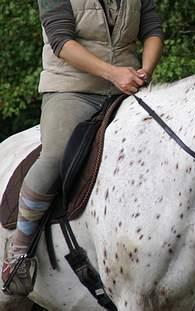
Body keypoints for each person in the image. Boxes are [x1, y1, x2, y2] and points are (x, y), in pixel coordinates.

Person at [2, 0, 163, 296]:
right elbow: (61, 42)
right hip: (72, 90)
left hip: (128, 88)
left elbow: (152, 29)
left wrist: (145, 72)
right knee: (55, 157)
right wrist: (114, 73)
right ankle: (18, 252)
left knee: (168, 146)